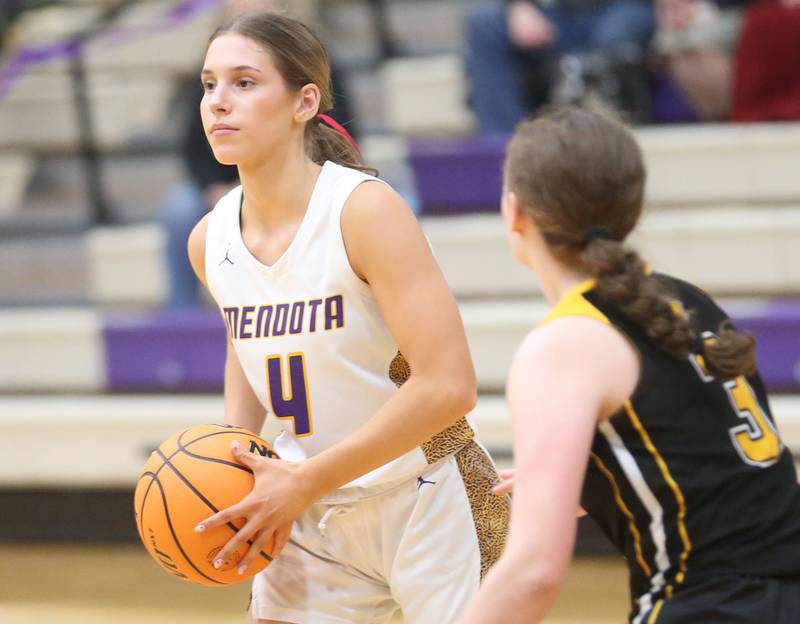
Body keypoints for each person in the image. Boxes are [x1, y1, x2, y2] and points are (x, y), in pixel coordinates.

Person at [186, 12, 510, 624]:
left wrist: (306, 480)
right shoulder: (209, 239)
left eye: (244, 82)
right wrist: (234, 461)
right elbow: (245, 342)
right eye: (208, 85)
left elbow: (449, 386)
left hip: (427, 493)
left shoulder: (364, 211)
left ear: (304, 101)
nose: (218, 102)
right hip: (306, 509)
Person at [461, 108, 800, 623]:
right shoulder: (687, 301)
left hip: (710, 607)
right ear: (632, 209)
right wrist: (597, 478)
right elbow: (705, 463)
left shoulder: (565, 344)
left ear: (515, 212)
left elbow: (535, 572)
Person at [465, 0, 656, 133]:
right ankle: (506, 150)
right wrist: (519, 5)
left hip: (624, 11)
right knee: (484, 23)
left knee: (616, 39)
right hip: (559, 15)